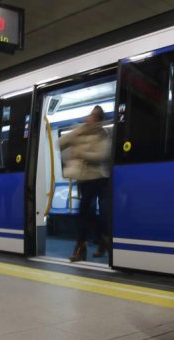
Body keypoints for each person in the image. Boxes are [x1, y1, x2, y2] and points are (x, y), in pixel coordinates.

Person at [59, 105, 111, 262]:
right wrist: (79, 130)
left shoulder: (102, 134)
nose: (90, 118)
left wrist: (80, 153)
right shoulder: (81, 131)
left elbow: (101, 155)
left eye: (94, 116)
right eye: (90, 115)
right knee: (87, 213)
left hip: (97, 178)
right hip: (83, 178)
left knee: (84, 213)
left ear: (99, 120)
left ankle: (81, 247)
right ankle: (103, 240)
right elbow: (60, 142)